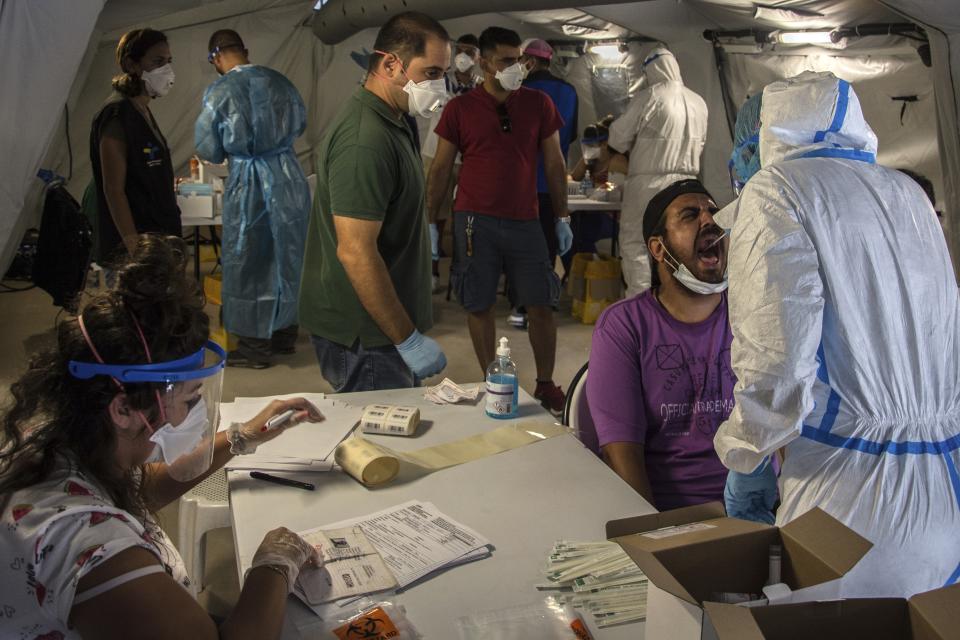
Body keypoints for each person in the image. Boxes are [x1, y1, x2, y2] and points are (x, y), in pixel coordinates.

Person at [0, 235, 325, 639]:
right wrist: (274, 566)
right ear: (123, 409)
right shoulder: (93, 552)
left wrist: (241, 437)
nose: (198, 412)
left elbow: (141, 489)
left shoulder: (55, 439)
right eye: (189, 400)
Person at [715, 72, 960, 598]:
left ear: (762, 140)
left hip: (849, 502)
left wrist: (747, 453)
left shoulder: (776, 191)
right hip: (945, 494)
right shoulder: (907, 196)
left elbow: (776, 362)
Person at [299, 12, 449, 392]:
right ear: (390, 64)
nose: (440, 86)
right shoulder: (365, 140)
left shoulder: (395, 120)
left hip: (383, 326)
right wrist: (406, 338)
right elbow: (355, 252)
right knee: (379, 448)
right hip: (365, 334)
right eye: (431, 73)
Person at [427, 26, 572, 414]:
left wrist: (562, 215)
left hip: (525, 219)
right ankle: (493, 378)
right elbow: (441, 168)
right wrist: (431, 221)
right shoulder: (460, 109)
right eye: (507, 60)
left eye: (519, 59)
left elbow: (555, 163)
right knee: (479, 304)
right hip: (475, 221)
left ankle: (545, 383)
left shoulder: (538, 104)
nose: (516, 67)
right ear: (485, 63)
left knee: (541, 303)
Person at [586, 180, 733, 511]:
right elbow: (620, 452)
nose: (710, 220)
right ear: (657, 248)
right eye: (690, 215)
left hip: (757, 510)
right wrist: (657, 534)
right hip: (671, 512)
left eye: (713, 211)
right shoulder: (625, 327)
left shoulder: (752, 315)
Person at [195, 30, 311, 369]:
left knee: (250, 262)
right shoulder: (280, 82)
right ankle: (285, 335)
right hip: (289, 177)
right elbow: (300, 121)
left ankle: (255, 348)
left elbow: (209, 147)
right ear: (244, 50)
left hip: (251, 183)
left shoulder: (219, 92)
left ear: (215, 58)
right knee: (288, 256)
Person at [608, 48, 708, 297]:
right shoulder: (699, 102)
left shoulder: (650, 96)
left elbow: (617, 138)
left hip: (648, 183)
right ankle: (680, 304)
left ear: (651, 70)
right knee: (681, 246)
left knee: (637, 245)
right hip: (688, 185)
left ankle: (641, 305)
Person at [90, 28, 180, 266]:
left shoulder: (141, 109)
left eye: (168, 61)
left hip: (158, 237)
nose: (166, 69)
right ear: (132, 64)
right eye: (157, 61)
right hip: (136, 248)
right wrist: (136, 249)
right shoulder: (117, 115)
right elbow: (114, 190)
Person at [506, 38, 579, 329]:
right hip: (552, 182)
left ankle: (519, 305)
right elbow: (570, 135)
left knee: (516, 247)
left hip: (518, 184)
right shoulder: (569, 92)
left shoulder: (518, 91)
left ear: (529, 62)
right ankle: (542, 302)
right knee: (546, 248)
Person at [422, 34, 482, 292]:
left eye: (470, 52)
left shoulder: (481, 87)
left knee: (466, 217)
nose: (464, 56)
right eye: (460, 50)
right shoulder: (439, 83)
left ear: (479, 57)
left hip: (468, 159)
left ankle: (462, 270)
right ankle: (432, 269)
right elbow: (428, 108)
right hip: (436, 154)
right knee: (433, 211)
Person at [564, 123, 618, 275]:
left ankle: (591, 273)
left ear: (605, 143)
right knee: (566, 225)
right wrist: (585, 159)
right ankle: (575, 272)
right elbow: (574, 177)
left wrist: (597, 187)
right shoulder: (590, 162)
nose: (590, 148)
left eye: (593, 145)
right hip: (589, 212)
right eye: (587, 145)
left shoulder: (617, 161)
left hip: (610, 216)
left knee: (583, 231)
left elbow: (617, 187)